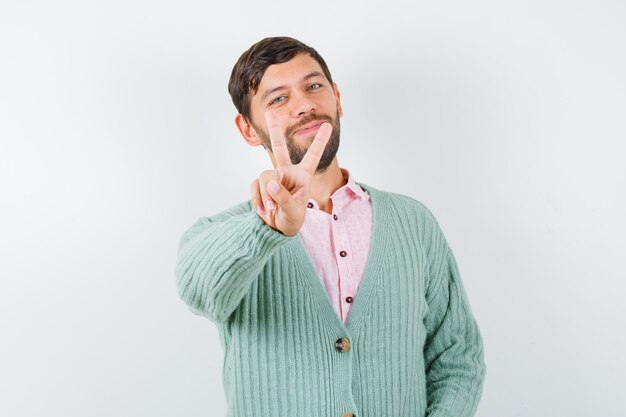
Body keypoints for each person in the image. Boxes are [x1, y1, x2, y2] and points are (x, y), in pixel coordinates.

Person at [175, 36, 486, 417]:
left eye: (314, 86)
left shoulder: (412, 221)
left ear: (337, 98)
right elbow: (197, 290)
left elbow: (457, 355)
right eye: (278, 98)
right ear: (248, 130)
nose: (305, 104)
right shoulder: (228, 233)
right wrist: (268, 228)